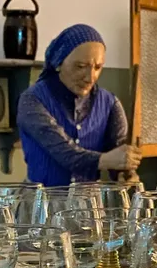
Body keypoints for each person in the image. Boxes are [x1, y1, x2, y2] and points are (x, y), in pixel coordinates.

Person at [17, 24, 142, 187]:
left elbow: (117, 154)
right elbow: (64, 152)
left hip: (89, 205)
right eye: (81, 66)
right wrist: (106, 160)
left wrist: (124, 173)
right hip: (41, 204)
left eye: (98, 67)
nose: (90, 78)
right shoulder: (33, 99)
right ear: (59, 62)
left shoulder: (109, 103)